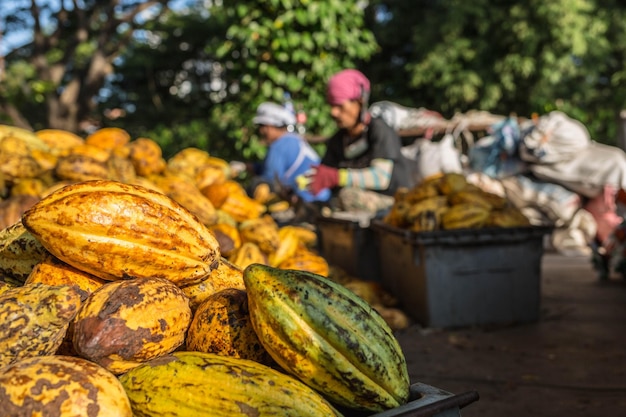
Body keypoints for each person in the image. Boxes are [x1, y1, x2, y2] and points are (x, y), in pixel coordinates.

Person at [306, 69, 414, 214]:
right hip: (355, 207)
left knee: (348, 196)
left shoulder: (380, 130)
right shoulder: (338, 140)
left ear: (359, 102)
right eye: (332, 106)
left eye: (340, 106)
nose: (334, 112)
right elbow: (326, 174)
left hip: (394, 203)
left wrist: (338, 177)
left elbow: (381, 178)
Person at [246, 101, 331, 205]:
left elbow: (269, 178)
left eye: (263, 127)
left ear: (270, 126)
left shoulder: (280, 145)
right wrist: (249, 167)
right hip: (324, 198)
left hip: (309, 202)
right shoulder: (292, 139)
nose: (261, 131)